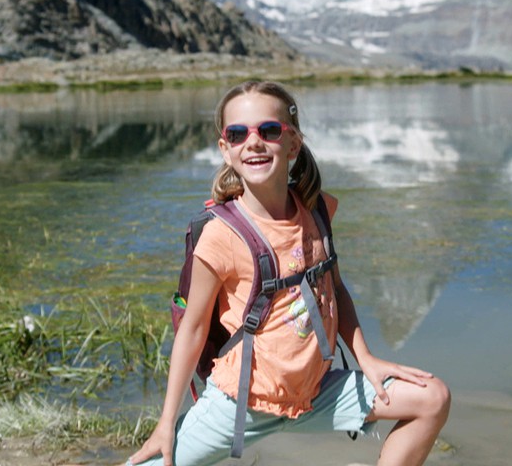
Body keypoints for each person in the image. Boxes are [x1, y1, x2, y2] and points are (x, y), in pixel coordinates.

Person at [128, 81, 451, 466]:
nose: (254, 142)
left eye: (269, 130)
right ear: (225, 150)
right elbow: (193, 330)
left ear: (293, 143)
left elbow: (335, 287)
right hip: (239, 403)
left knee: (432, 398)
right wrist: (166, 422)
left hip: (315, 392)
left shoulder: (316, 211)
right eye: (237, 133)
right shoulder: (219, 235)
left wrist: (365, 356)